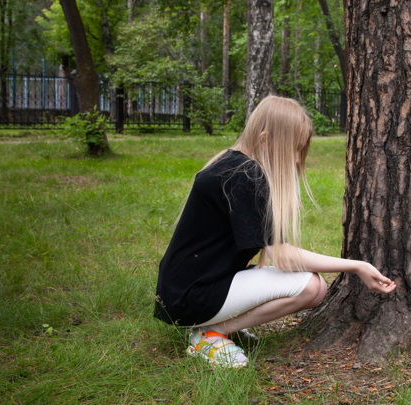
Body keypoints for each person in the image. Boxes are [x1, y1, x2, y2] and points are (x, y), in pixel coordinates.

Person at [154, 95, 396, 368]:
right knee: (310, 286)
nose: (296, 158)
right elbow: (282, 255)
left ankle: (219, 326)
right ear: (266, 139)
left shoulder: (234, 164)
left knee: (316, 290)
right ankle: (209, 334)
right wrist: (357, 266)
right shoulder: (243, 175)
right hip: (190, 297)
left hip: (186, 288)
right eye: (293, 148)